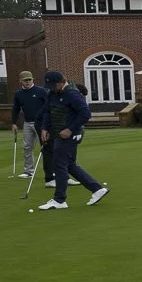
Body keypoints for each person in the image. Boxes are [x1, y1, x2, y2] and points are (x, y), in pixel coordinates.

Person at [38, 71, 107, 209]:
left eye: (53, 85)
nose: (50, 88)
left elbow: (85, 114)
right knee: (69, 165)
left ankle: (59, 200)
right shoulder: (52, 94)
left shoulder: (72, 94)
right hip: (58, 133)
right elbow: (47, 111)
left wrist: (70, 129)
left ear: (61, 82)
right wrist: (44, 128)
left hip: (70, 134)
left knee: (59, 164)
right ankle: (97, 189)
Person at [10, 70, 49, 179]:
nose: (27, 82)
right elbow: (16, 109)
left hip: (41, 123)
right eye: (25, 80)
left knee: (45, 147)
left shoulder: (41, 91)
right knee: (27, 147)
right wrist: (13, 123)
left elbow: (48, 107)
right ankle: (29, 171)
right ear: (20, 81)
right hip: (27, 123)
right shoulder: (18, 94)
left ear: (32, 80)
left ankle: (51, 171)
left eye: (29, 80)